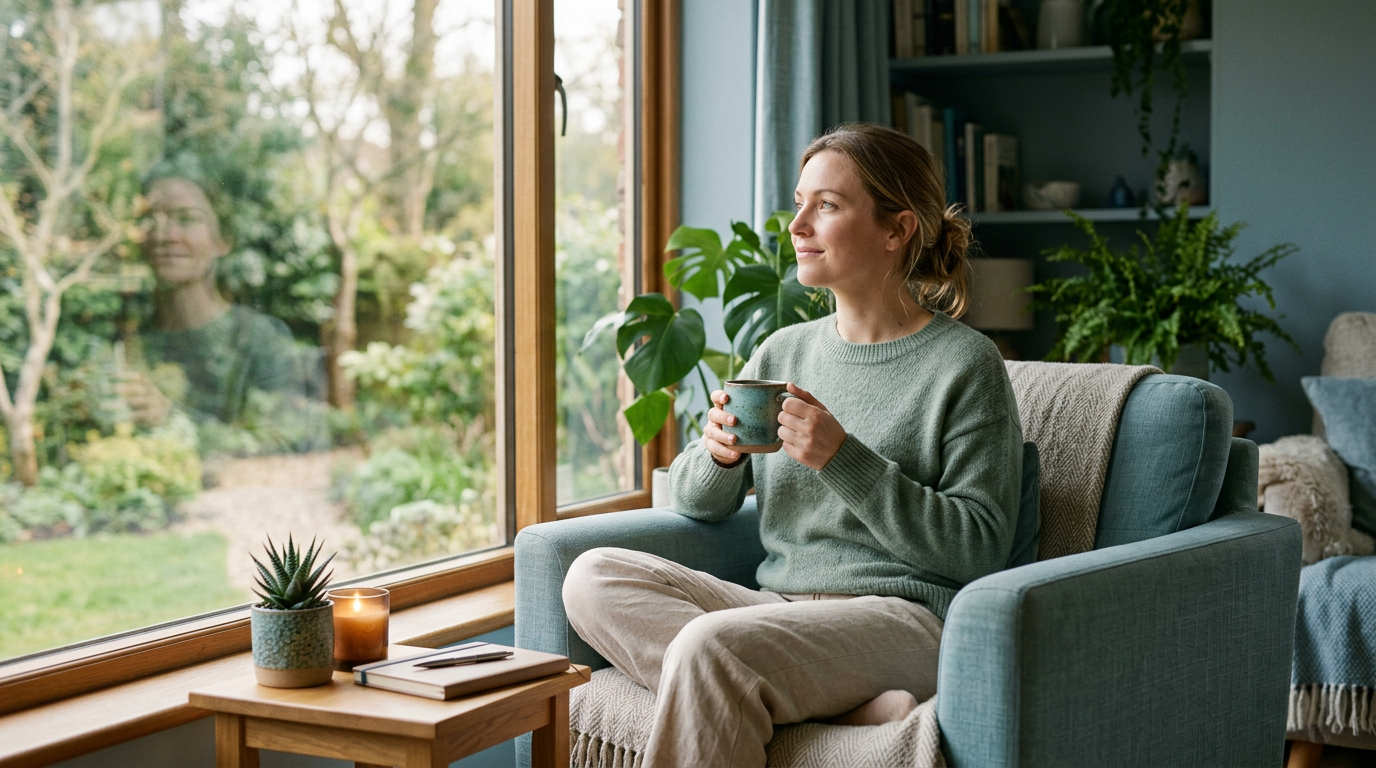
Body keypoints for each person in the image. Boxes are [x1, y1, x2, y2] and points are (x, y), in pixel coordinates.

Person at [561, 123, 1024, 767]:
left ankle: (778, 688)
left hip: (905, 618)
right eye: (800, 201)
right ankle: (841, 706)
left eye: (827, 206)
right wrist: (720, 454)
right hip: (777, 606)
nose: (797, 224)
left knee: (709, 648)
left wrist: (844, 459)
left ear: (897, 230)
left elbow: (979, 548)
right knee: (591, 577)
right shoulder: (785, 350)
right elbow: (701, 504)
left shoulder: (965, 364)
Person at [116, 175, 317, 443]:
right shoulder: (130, 340)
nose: (166, 235)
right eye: (151, 220)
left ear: (223, 240)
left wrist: (171, 417)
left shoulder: (261, 340)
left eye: (187, 219)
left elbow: (282, 446)